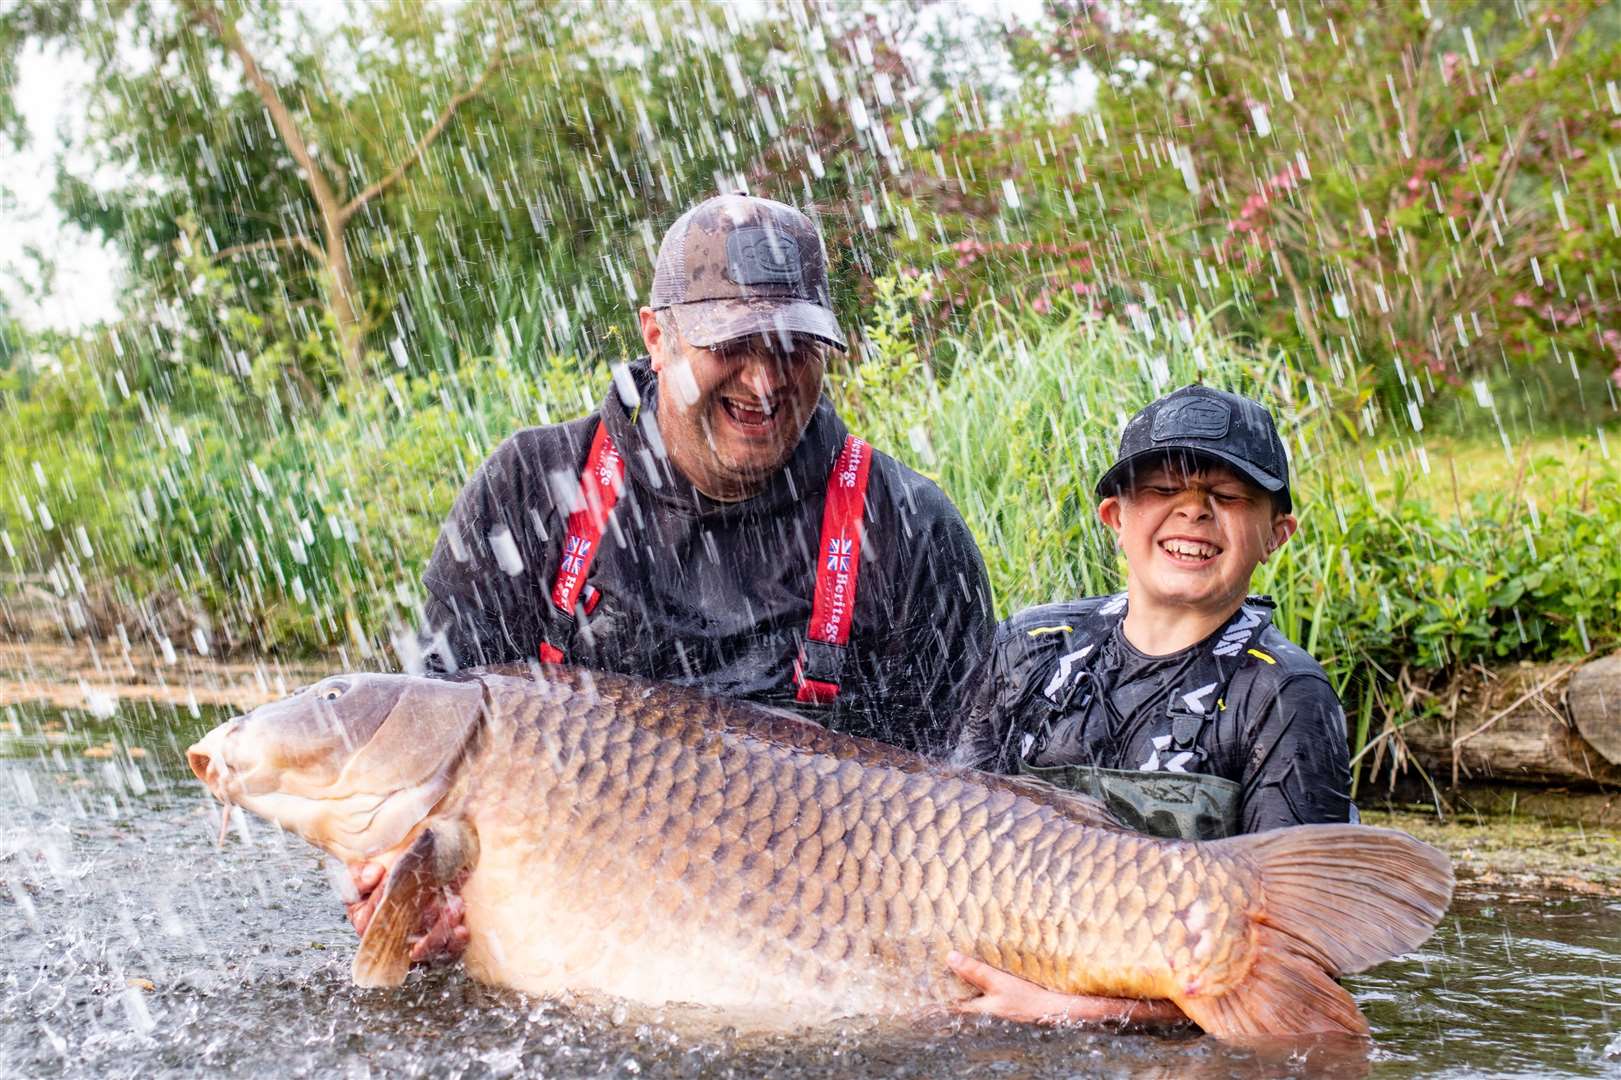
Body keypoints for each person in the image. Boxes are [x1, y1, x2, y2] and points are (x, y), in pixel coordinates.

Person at [345, 191, 994, 960]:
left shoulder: (908, 526)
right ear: (658, 336)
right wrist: (406, 888)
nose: (763, 382)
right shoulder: (530, 492)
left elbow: (977, 800)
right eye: (733, 345)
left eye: (793, 348)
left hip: (821, 951)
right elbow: (427, 758)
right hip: (568, 944)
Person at [946, 384, 1354, 1026]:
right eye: (1164, 491)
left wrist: (1070, 1012)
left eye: (1227, 498)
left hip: (1157, 1042)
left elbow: (1301, 968)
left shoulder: (1285, 696)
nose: (1193, 514)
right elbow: (942, 840)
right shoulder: (1029, 648)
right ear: (1116, 517)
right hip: (989, 994)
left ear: (1277, 534)